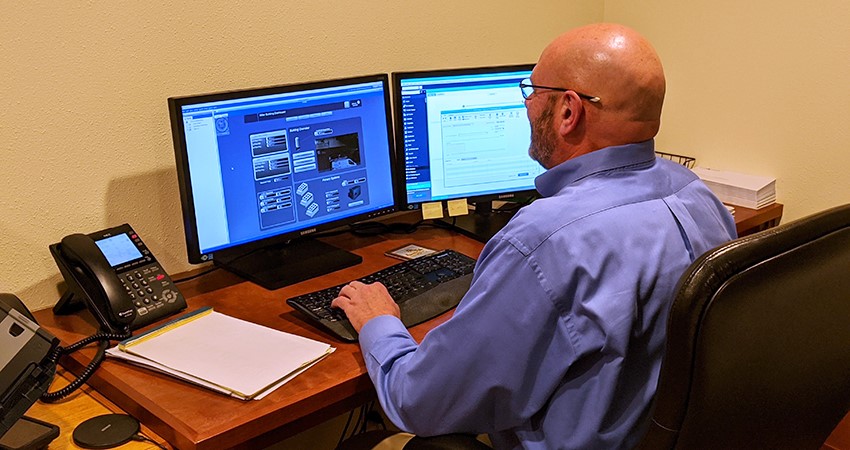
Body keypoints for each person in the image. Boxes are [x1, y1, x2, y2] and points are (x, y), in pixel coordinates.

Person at [332, 23, 736, 449]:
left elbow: (418, 402)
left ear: (568, 111)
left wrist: (379, 322)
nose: (526, 105)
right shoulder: (697, 196)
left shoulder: (546, 241)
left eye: (531, 90)